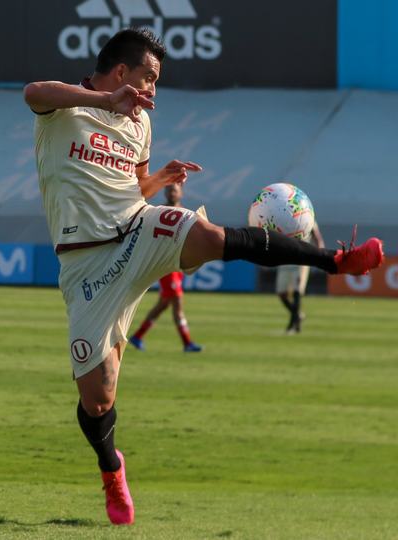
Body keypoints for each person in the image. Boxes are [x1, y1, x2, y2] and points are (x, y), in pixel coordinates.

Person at [23, 28, 383, 525]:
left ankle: (337, 261)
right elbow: (33, 92)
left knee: (213, 236)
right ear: (122, 71)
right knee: (99, 397)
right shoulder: (66, 108)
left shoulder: (140, 121)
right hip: (87, 263)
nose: (153, 89)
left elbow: (133, 189)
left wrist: (159, 180)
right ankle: (112, 470)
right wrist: (106, 99)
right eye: (149, 76)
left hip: (138, 227)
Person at [129, 184, 202, 352]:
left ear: (181, 192)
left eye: (174, 190)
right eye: (169, 190)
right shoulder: (160, 212)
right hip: (166, 263)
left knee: (163, 304)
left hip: (177, 265)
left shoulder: (186, 213)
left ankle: (138, 336)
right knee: (177, 303)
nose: (171, 193)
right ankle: (187, 343)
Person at [276, 222, 325, 334]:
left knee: (297, 291)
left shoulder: (308, 218)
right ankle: (297, 315)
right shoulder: (282, 217)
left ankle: (293, 324)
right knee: (281, 293)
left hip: (300, 260)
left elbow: (318, 238)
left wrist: (321, 255)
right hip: (284, 260)